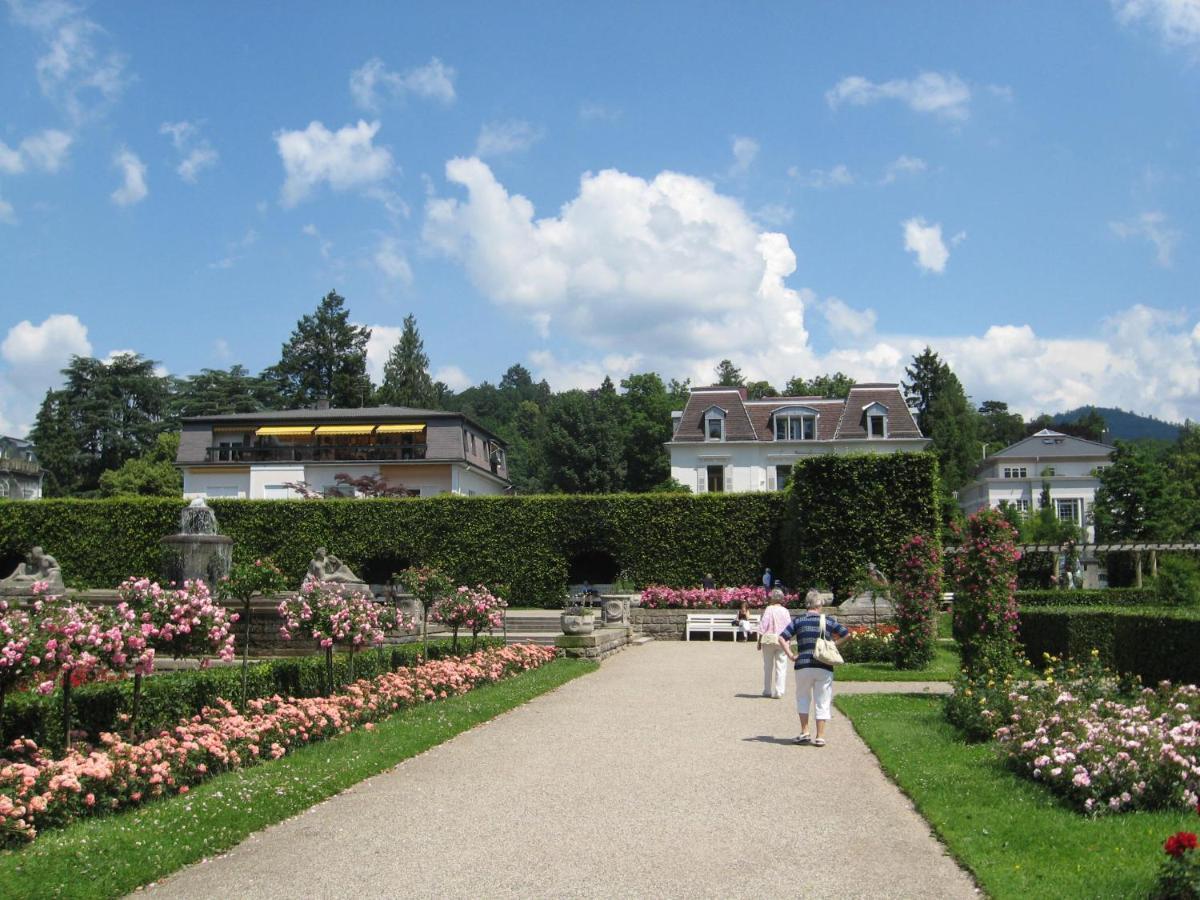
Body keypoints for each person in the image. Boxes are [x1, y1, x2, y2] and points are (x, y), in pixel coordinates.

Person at [778, 589, 850, 747]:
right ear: (820, 605)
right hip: (823, 664)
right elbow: (846, 634)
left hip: (803, 664)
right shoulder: (828, 621)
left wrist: (791, 655)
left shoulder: (798, 621)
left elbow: (782, 637)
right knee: (822, 700)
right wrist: (832, 645)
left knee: (803, 697)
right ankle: (820, 736)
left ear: (807, 604)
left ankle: (804, 732)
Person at [756, 588, 791, 698]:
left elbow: (763, 625)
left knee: (767, 666)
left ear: (772, 598)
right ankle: (779, 691)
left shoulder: (769, 609)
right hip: (782, 641)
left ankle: (767, 690)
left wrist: (759, 641)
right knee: (781, 666)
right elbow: (789, 627)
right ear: (781, 599)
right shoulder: (785, 611)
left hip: (768, 640)